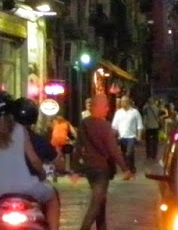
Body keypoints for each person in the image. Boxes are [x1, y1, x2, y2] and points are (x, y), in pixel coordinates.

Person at [0, 93, 60, 230]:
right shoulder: (20, 129)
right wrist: (42, 174)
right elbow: (34, 160)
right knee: (52, 198)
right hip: (26, 186)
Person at [76, 102, 127, 230]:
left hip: (89, 167)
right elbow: (113, 149)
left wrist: (75, 167)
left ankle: (102, 227)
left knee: (100, 201)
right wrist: (125, 168)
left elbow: (78, 146)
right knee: (96, 203)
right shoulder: (104, 125)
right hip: (102, 167)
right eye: (105, 107)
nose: (107, 109)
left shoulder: (84, 123)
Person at [110, 96, 142, 177]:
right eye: (122, 101)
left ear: (128, 102)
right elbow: (114, 126)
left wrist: (139, 136)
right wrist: (112, 136)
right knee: (124, 155)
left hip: (131, 136)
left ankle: (129, 170)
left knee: (129, 153)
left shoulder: (135, 112)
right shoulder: (118, 113)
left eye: (124, 101)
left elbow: (139, 125)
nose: (122, 103)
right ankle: (130, 169)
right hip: (122, 137)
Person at [48, 110, 76, 176]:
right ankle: (67, 169)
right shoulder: (67, 123)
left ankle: (56, 170)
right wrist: (73, 139)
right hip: (63, 139)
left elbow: (53, 131)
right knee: (67, 154)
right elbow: (74, 133)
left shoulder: (55, 122)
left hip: (55, 140)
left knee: (58, 155)